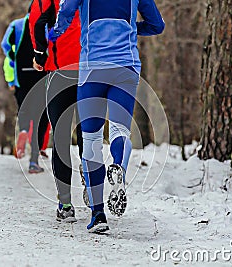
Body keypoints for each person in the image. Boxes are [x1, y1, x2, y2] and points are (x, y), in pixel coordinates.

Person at [49, 0, 165, 233]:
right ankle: (119, 168)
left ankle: (98, 215)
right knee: (120, 130)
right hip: (126, 67)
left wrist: (55, 32)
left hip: (93, 69)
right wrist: (133, 27)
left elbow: (67, 10)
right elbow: (157, 25)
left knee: (91, 140)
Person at [29, 0, 85, 222]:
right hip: (88, 70)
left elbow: (38, 22)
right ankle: (92, 186)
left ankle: (65, 203)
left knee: (60, 137)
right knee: (87, 134)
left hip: (59, 70)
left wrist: (39, 54)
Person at [1, 9, 51, 173]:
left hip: (21, 73)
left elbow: (5, 44)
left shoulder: (16, 25)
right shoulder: (46, 24)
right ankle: (33, 161)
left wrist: (14, 56)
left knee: (24, 107)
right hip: (41, 72)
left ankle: (23, 129)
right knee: (40, 116)